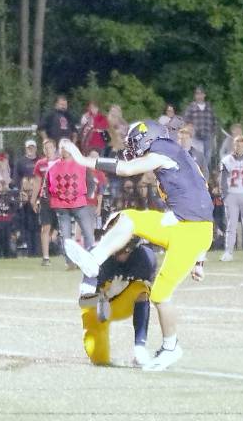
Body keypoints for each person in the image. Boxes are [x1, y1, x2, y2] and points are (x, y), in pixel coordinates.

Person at [63, 120, 213, 371]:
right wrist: (199, 260)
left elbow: (125, 169)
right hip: (181, 223)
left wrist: (82, 159)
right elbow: (201, 200)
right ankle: (95, 258)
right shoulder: (177, 155)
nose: (132, 147)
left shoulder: (164, 151)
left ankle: (170, 347)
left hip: (191, 231)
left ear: (147, 137)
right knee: (130, 218)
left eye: (134, 142)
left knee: (160, 294)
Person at [80, 231, 157, 367]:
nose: (121, 253)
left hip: (122, 302)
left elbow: (154, 294)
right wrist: (108, 294)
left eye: (126, 250)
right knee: (100, 360)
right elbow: (83, 301)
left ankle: (140, 348)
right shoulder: (96, 256)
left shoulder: (145, 258)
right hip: (99, 305)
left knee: (142, 289)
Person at [46, 141, 94, 268]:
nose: (63, 150)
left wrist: (86, 196)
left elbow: (90, 181)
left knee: (88, 234)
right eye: (62, 148)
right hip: (63, 206)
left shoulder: (79, 164)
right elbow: (48, 185)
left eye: (65, 148)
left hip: (78, 203)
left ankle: (90, 260)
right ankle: (70, 262)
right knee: (66, 236)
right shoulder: (78, 164)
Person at [219, 136, 243, 262]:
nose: (239, 148)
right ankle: (228, 252)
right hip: (231, 195)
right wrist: (225, 196)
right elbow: (223, 180)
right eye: (237, 145)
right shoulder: (227, 160)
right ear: (234, 145)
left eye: (242, 145)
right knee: (231, 226)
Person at [31, 139, 59, 266]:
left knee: (62, 225)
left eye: (50, 147)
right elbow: (37, 182)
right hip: (45, 198)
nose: (48, 150)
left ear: (55, 148)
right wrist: (33, 198)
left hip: (60, 199)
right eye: (45, 148)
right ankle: (46, 257)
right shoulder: (40, 164)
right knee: (45, 226)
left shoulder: (60, 162)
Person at [183, 86, 217, 166]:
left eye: (201, 94)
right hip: (195, 137)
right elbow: (186, 121)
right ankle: (197, 175)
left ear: (204, 95)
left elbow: (214, 121)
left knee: (207, 158)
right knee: (197, 158)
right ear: (195, 96)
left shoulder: (209, 107)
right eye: (197, 94)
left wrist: (213, 133)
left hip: (208, 136)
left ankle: (205, 176)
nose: (199, 96)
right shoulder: (191, 107)